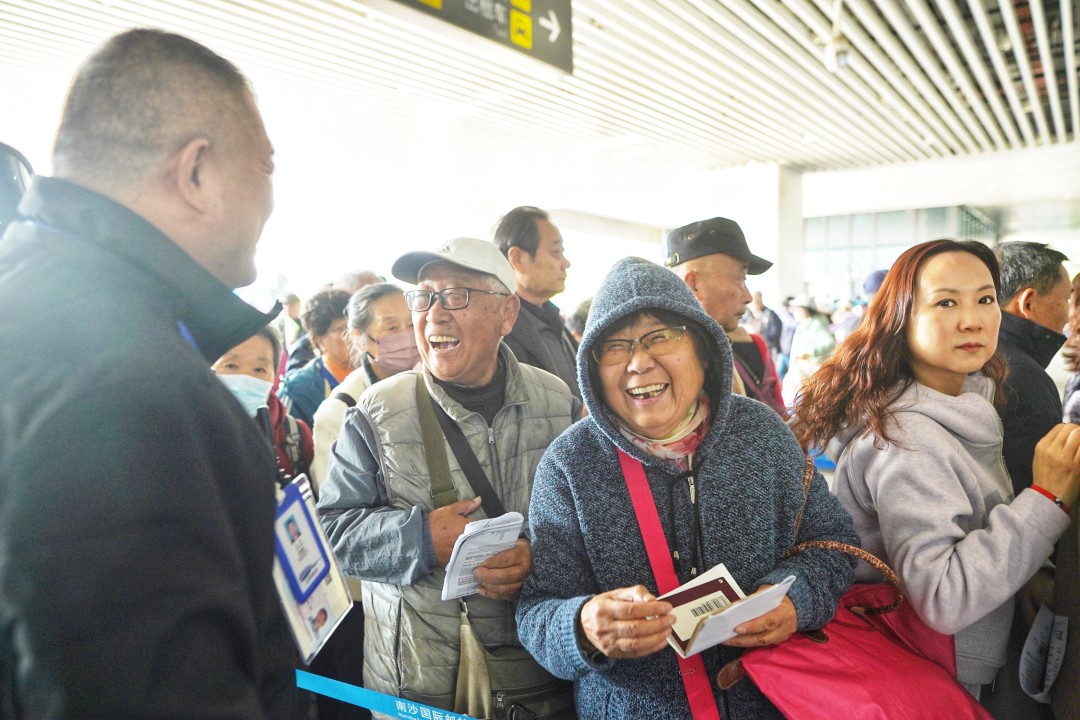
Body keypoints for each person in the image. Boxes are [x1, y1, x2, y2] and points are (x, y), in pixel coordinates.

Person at [0, 29, 300, 718]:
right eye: (266, 167)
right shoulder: (134, 392)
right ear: (195, 173)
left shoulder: (29, 305)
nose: (272, 199)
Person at [516, 256, 857, 719]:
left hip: (771, 702)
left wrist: (797, 600)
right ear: (592, 370)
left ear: (702, 347)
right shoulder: (570, 464)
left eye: (660, 337)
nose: (639, 362)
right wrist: (581, 626)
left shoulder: (762, 434)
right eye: (615, 347)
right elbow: (537, 611)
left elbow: (833, 544)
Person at [792, 239, 1080, 704]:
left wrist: (1022, 570)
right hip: (932, 670)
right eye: (946, 302)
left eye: (985, 299)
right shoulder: (910, 439)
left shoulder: (961, 403)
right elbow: (943, 598)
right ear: (902, 317)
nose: (973, 320)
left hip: (943, 662)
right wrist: (1046, 498)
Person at [317, 237, 581, 715]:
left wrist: (536, 558)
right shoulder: (377, 412)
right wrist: (419, 537)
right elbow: (333, 535)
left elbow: (592, 526)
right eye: (424, 296)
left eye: (457, 295)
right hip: (419, 690)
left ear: (507, 313)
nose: (434, 314)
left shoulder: (558, 403)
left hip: (539, 680)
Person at [664, 216, 785, 415]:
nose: (747, 297)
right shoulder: (656, 366)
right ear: (693, 284)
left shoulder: (736, 346)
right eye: (741, 278)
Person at [310, 283, 418, 488]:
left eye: (412, 324)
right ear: (359, 338)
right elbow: (337, 509)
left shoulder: (435, 383)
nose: (406, 335)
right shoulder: (340, 410)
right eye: (392, 327)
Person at [996, 242, 1071, 497]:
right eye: (1066, 298)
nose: (1069, 315)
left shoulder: (985, 356)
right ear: (1028, 303)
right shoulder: (1024, 378)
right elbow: (1037, 489)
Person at [494, 206, 580, 398]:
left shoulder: (555, 322)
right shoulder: (499, 332)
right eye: (556, 252)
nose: (565, 263)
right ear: (517, 259)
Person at [213, 324, 314, 480]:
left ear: (274, 376)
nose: (246, 378)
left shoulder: (296, 435)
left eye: (259, 369)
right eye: (231, 366)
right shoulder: (189, 434)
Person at [279, 287, 354, 427]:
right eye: (343, 329)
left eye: (355, 326)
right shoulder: (297, 392)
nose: (353, 335)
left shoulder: (379, 373)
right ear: (319, 340)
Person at [780, 294, 835, 404]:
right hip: (801, 371)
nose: (794, 312)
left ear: (804, 310)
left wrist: (810, 353)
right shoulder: (804, 324)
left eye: (796, 309)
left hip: (809, 372)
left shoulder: (816, 324)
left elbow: (830, 342)